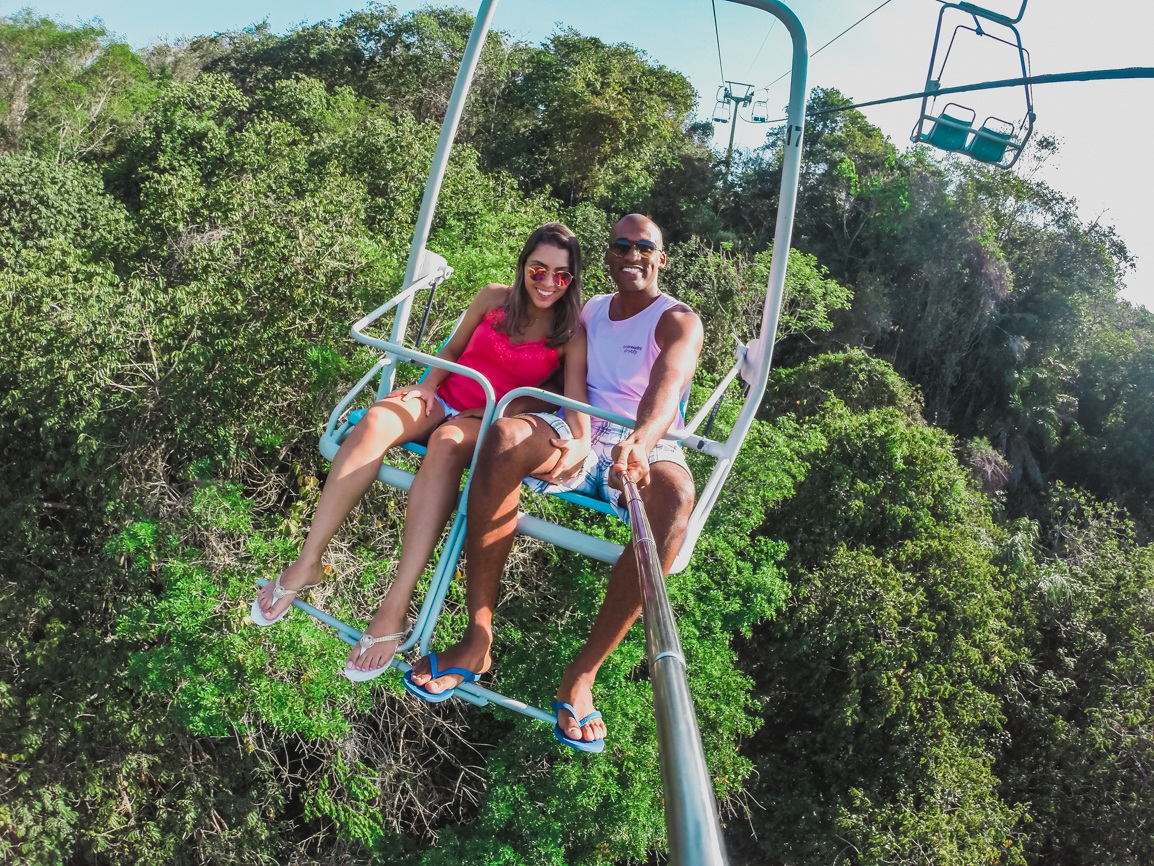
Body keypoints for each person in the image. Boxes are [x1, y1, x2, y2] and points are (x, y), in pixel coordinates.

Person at [406, 214, 703, 752]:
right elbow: (556, 371)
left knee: (677, 499)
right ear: (608, 258)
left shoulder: (678, 320)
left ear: (661, 258)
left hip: (646, 438)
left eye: (644, 247)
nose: (632, 254)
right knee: (501, 439)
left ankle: (583, 674)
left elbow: (670, 381)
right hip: (578, 422)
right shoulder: (587, 311)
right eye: (621, 245)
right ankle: (477, 637)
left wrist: (642, 438)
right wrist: (524, 410)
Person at [251, 223, 592, 682]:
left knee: (446, 443)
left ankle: (394, 607)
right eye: (538, 269)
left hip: (486, 418)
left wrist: (581, 442)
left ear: (572, 280)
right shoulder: (493, 298)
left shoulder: (569, 334)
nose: (548, 283)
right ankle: (308, 561)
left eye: (561, 275)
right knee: (376, 419)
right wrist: (427, 385)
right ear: (523, 266)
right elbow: (452, 348)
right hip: (447, 392)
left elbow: (574, 401)